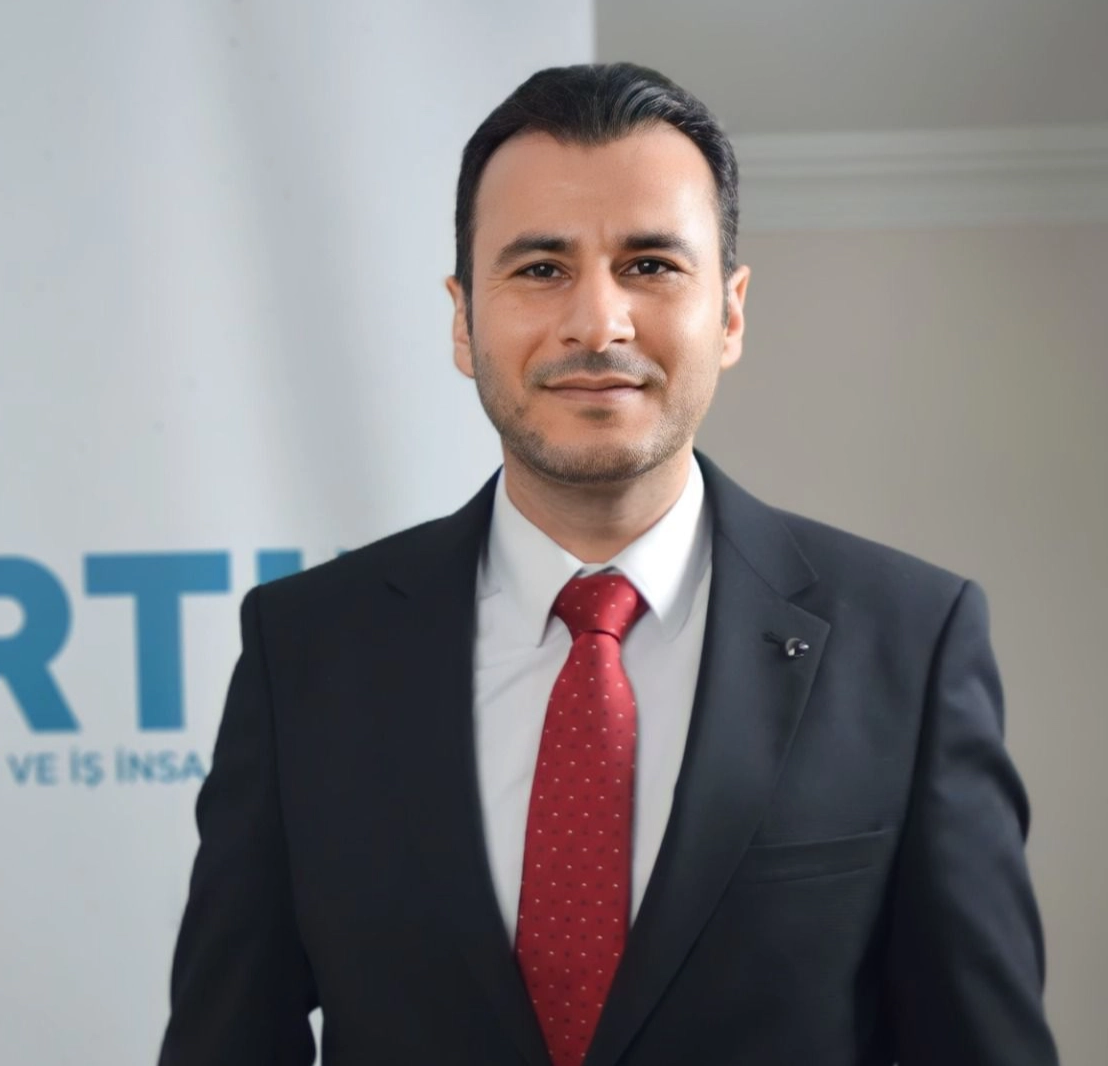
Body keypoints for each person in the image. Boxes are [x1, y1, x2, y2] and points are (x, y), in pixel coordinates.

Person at [156, 62, 1058, 1066]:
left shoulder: (911, 644)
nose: (597, 323)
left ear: (730, 312)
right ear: (462, 318)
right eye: (540, 268)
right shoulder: (305, 652)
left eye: (650, 264)